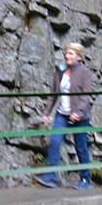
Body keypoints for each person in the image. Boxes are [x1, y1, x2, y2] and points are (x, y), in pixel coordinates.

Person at [36, 41, 93, 189]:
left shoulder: (84, 72)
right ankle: (51, 176)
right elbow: (53, 94)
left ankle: (85, 180)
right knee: (55, 142)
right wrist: (47, 113)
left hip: (80, 117)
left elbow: (86, 96)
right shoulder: (60, 69)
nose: (67, 56)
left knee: (81, 147)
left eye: (71, 53)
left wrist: (78, 112)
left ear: (79, 57)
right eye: (66, 53)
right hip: (62, 114)